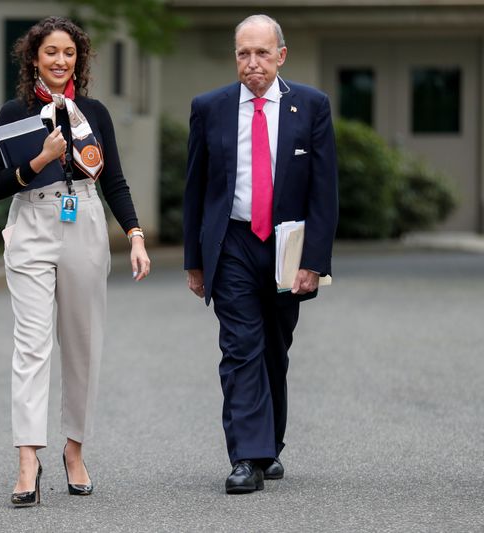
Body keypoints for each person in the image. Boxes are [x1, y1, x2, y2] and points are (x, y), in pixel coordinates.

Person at [0, 16, 151, 507]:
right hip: (32, 225)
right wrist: (38, 160)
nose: (60, 61)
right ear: (33, 58)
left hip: (84, 221)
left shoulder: (94, 112)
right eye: (50, 52)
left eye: (69, 53)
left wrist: (136, 236)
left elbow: (115, 181)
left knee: (83, 345)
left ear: (79, 59)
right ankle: (27, 460)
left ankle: (74, 450)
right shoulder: (15, 111)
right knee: (32, 347)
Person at [183, 14, 338, 494]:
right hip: (231, 243)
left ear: (281, 56)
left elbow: (324, 190)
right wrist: (195, 260)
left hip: (287, 245)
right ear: (236, 57)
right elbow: (195, 189)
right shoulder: (210, 107)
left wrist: (315, 260)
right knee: (240, 347)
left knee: (274, 346)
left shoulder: (310, 106)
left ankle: (269, 444)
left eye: (262, 54)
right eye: (244, 54)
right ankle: (247, 457)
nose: (253, 64)